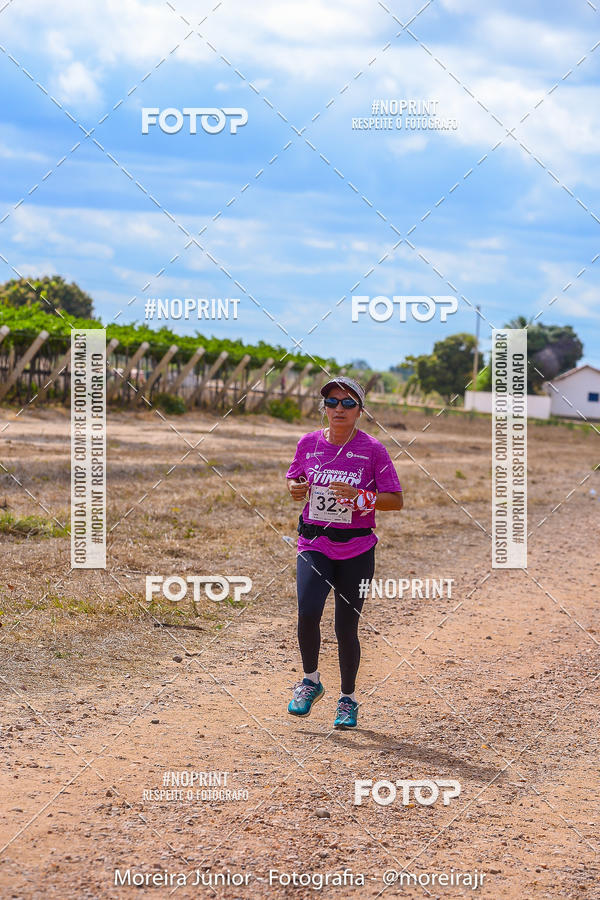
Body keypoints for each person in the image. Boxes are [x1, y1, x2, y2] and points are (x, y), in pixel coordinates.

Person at [285, 375, 403, 729]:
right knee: (308, 612)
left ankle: (347, 699)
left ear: (359, 411)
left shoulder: (373, 449)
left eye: (348, 403)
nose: (339, 408)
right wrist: (295, 487)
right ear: (324, 407)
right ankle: (310, 681)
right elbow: (294, 477)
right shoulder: (308, 443)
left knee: (345, 626)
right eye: (332, 402)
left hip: (357, 549)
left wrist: (360, 497)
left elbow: (396, 500)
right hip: (314, 542)